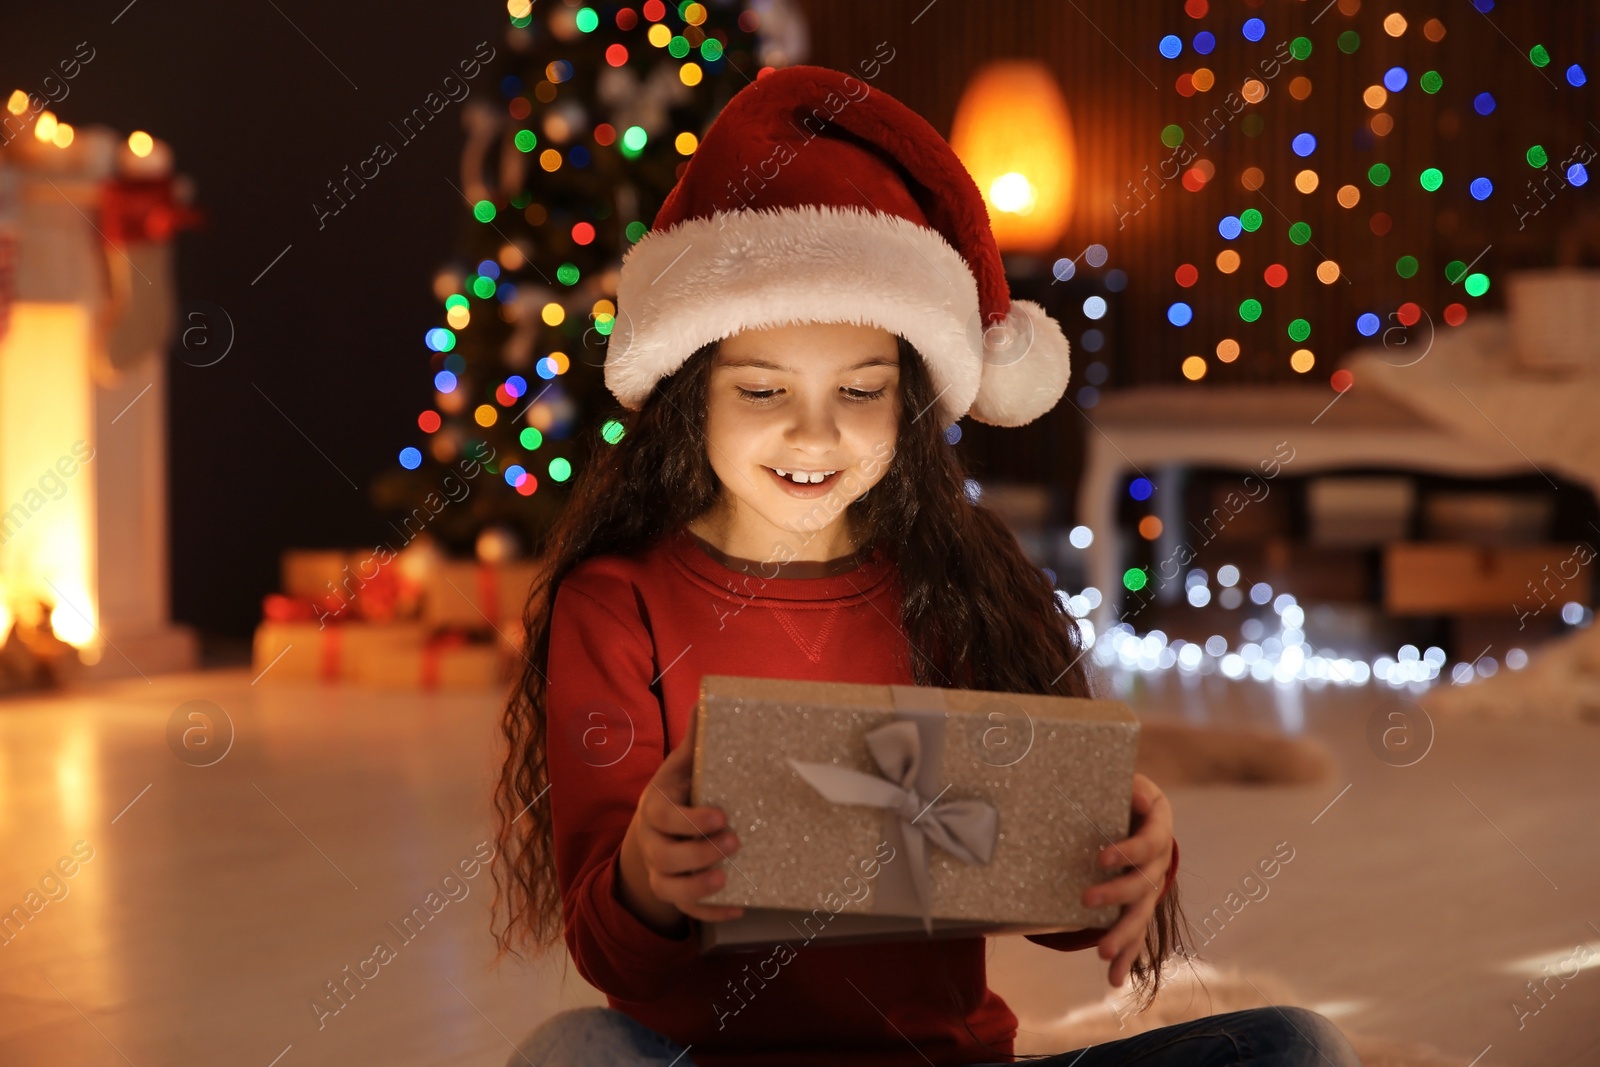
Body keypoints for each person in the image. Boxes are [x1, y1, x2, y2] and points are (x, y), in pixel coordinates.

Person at [492, 64, 1361, 1067]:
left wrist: (1129, 861)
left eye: (859, 391)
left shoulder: (960, 588)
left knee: (1298, 1047)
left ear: (905, 404)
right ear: (692, 394)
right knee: (572, 1050)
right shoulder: (616, 603)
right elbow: (616, 958)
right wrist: (647, 872)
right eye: (764, 389)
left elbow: (1058, 902)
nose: (814, 433)